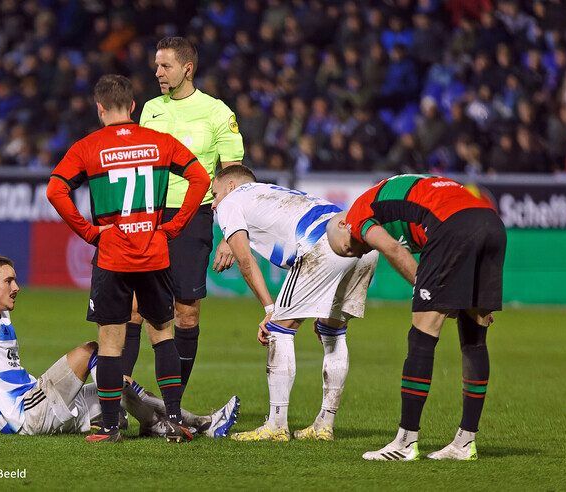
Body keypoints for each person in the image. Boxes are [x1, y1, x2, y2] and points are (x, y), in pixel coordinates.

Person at [46, 74, 211, 443]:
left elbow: (55, 189)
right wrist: (174, 226)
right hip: (153, 253)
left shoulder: (89, 147)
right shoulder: (160, 142)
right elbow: (200, 179)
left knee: (110, 341)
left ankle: (108, 426)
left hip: (112, 256)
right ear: (133, 107)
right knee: (163, 335)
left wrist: (89, 232)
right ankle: (173, 420)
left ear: (100, 108)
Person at [0, 253, 240, 438]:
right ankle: (168, 424)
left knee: (116, 383)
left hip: (36, 405)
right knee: (93, 351)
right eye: (9, 281)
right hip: (28, 411)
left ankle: (200, 423)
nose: (17, 287)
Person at [326, 174, 506, 461]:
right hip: (490, 221)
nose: (356, 252)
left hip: (453, 224)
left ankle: (405, 442)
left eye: (347, 247)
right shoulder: (395, 201)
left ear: (342, 225)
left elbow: (392, 249)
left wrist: (432, 293)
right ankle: (465, 442)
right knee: (474, 337)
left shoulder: (358, 213)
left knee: (421, 335)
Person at [210, 165, 378, 441]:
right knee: (332, 332)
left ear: (229, 186)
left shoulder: (232, 201)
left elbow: (245, 261)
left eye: (214, 194)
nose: (214, 204)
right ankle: (324, 425)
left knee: (279, 330)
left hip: (325, 243)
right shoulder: (272, 193)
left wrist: (269, 309)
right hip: (363, 240)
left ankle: (276, 425)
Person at [124, 37, 245, 401]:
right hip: (149, 218)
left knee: (186, 312)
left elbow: (234, 180)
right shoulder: (150, 110)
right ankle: (118, 396)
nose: (158, 73)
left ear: (187, 69)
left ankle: (169, 404)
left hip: (193, 217)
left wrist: (230, 234)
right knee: (132, 308)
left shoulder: (217, 113)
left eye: (165, 66)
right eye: (157, 66)